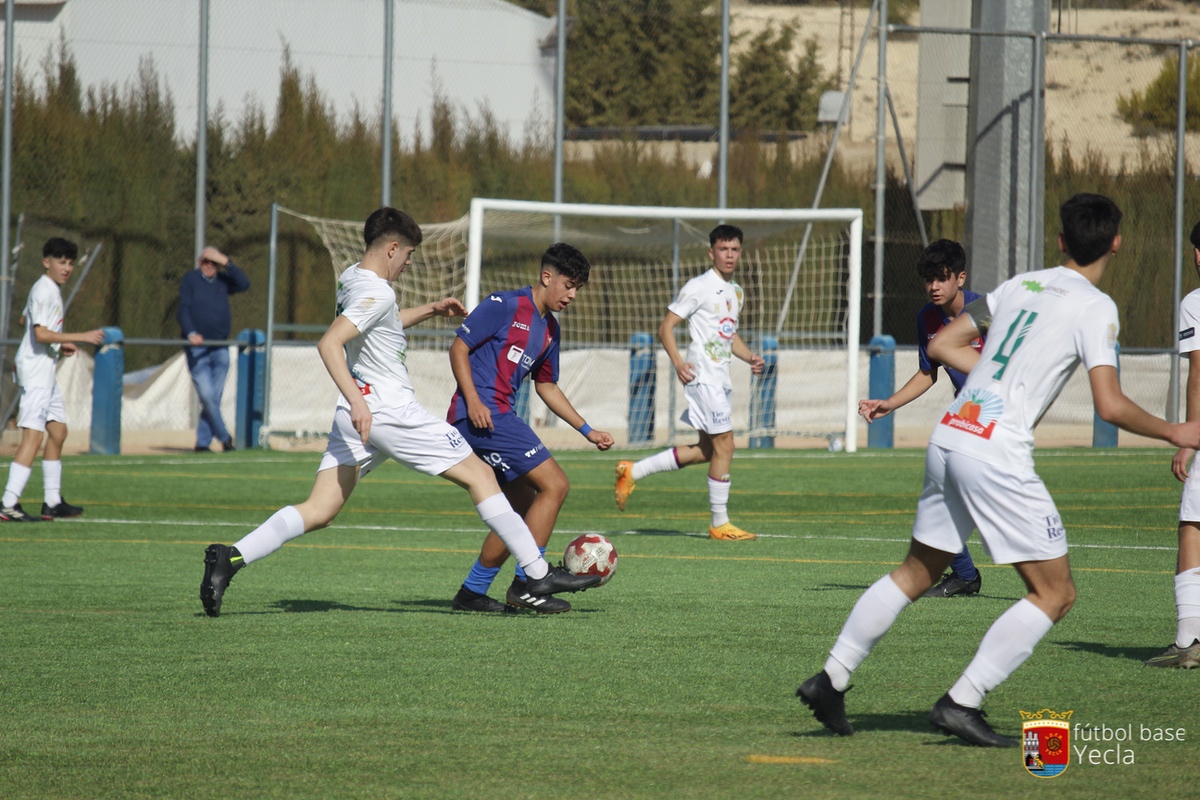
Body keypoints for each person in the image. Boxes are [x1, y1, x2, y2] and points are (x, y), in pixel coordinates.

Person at [796, 193, 1200, 747]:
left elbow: (942, 343)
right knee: (1054, 595)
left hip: (952, 434)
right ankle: (962, 701)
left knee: (915, 572)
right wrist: (1177, 430)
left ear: (1059, 241)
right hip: (996, 450)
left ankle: (830, 678)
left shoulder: (1019, 286)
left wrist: (995, 377)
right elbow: (1109, 405)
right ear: (1116, 243)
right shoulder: (1096, 306)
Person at [199, 208, 600, 617]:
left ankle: (230, 557)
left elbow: (380, 324)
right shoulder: (380, 292)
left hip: (359, 417)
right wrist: (358, 399)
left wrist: (429, 309)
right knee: (481, 477)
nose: (409, 262)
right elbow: (329, 344)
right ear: (392, 248)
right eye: (407, 254)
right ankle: (535, 573)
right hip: (387, 411)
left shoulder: (353, 278)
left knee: (319, 510)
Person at [448, 243, 615, 614]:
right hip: (481, 416)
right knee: (556, 484)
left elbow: (547, 386)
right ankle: (528, 583)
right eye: (568, 285)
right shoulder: (504, 305)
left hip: (499, 417)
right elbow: (458, 348)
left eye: (577, 289)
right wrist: (473, 400)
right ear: (546, 277)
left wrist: (587, 430)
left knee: (520, 510)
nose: (572, 295)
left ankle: (472, 592)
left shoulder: (550, 330)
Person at [614, 224, 765, 540]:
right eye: (723, 249)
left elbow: (728, 334)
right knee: (727, 444)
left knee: (708, 451)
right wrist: (679, 362)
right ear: (712, 253)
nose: (729, 255)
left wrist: (749, 356)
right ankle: (719, 523)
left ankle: (633, 471)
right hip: (702, 377)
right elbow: (666, 326)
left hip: (720, 379)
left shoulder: (737, 291)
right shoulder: (698, 286)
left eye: (734, 249)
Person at [858, 239, 984, 598]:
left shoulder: (987, 310)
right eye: (929, 279)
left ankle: (1043, 583)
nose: (934, 287)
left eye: (942, 278)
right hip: (969, 418)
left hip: (999, 418)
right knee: (939, 494)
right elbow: (929, 371)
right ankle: (964, 575)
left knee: (966, 497)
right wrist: (890, 403)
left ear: (961, 278)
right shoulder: (927, 318)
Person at [0, 238, 105, 522]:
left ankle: (52, 501)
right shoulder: (45, 290)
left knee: (57, 432)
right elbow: (39, 333)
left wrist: (59, 346)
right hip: (36, 373)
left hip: (44, 369)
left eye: (70, 263)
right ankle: (8, 503)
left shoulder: (47, 289)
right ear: (46, 261)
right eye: (61, 262)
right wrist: (78, 337)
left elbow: (26, 322)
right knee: (33, 437)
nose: (66, 268)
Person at [1148, 219, 1200, 668]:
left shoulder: (1196, 303)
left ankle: (1188, 641)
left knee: (1192, 525)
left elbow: (1199, 372)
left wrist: (1188, 436)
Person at [177, 245, 250, 452]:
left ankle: (202, 443)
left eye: (214, 263)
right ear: (200, 262)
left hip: (220, 346)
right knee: (208, 396)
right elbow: (183, 309)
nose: (210, 266)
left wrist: (226, 261)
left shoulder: (222, 281)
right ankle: (225, 437)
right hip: (198, 348)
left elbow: (244, 284)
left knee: (214, 399)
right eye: (206, 261)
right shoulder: (190, 279)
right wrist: (191, 332)